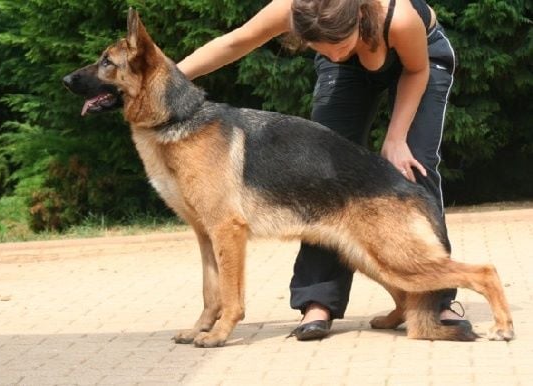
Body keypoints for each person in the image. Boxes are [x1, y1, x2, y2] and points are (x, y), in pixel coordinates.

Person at [177, 0, 468, 341]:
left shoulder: (399, 17)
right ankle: (319, 300)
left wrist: (395, 137)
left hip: (419, 61)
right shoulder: (295, 9)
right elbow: (235, 41)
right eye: (320, 50)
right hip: (351, 73)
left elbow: (417, 71)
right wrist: (168, 77)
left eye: (339, 47)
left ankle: (436, 299)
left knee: (414, 164)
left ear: (357, 20)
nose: (332, 55)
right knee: (320, 174)